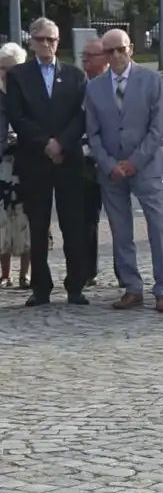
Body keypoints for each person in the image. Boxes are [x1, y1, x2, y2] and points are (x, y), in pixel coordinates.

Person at [85, 29, 163, 312]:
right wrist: (109, 164)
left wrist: (135, 161)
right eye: (109, 51)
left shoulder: (151, 80)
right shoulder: (94, 87)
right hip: (111, 171)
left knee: (158, 228)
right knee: (120, 230)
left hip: (145, 167)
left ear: (131, 49)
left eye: (120, 49)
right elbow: (92, 133)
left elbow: (157, 127)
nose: (115, 56)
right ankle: (132, 287)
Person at [4, 17, 90, 306]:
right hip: (35, 159)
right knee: (38, 226)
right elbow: (17, 116)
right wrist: (46, 143)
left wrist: (61, 143)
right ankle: (41, 287)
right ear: (31, 42)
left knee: (73, 225)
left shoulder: (75, 75)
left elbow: (81, 116)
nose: (46, 44)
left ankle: (75, 286)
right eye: (40, 39)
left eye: (51, 39)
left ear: (58, 42)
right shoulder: (18, 76)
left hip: (68, 159)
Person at [79, 37, 115, 288]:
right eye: (83, 55)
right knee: (86, 219)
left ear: (106, 58)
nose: (85, 60)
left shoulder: (116, 85)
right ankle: (86, 271)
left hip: (113, 161)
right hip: (86, 162)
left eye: (91, 56)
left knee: (119, 218)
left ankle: (124, 271)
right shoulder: (77, 85)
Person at [0, 42, 31, 289]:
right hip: (1, 164)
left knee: (26, 216)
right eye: (2, 68)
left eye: (12, 68)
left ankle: (25, 273)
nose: (6, 73)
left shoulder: (28, 93)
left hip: (25, 162)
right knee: (2, 217)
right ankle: (5, 273)